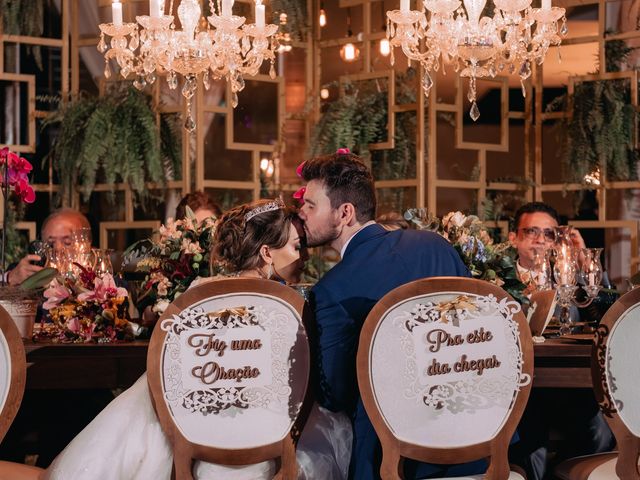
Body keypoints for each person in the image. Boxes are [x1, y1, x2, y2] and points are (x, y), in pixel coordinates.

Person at [43, 199, 352, 480]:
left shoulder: (198, 294)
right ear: (267, 253)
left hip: (193, 434)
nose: (301, 257)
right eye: (296, 247)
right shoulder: (284, 305)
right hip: (265, 439)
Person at [297, 150, 481, 480]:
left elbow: (334, 395)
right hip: (477, 438)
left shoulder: (333, 290)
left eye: (310, 205)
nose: (301, 213)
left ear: (344, 213)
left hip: (395, 459)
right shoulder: (435, 246)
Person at [506, 201, 614, 480]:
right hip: (521, 388)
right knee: (531, 447)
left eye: (549, 233)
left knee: (600, 429)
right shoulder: (498, 280)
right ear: (513, 238)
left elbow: (605, 316)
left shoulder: (568, 280)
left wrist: (583, 261)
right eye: (531, 231)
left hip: (568, 382)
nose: (541, 239)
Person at [6, 208, 92, 285]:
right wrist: (10, 278)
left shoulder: (97, 278)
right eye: (50, 244)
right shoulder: (30, 272)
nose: (57, 248)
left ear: (86, 245)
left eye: (67, 242)